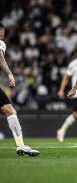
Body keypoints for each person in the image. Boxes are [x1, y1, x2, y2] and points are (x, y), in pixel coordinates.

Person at [0, 22, 39, 156]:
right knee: (11, 111)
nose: (2, 37)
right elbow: (0, 56)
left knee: (10, 110)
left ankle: (20, 145)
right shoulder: (0, 43)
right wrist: (10, 73)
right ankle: (20, 145)